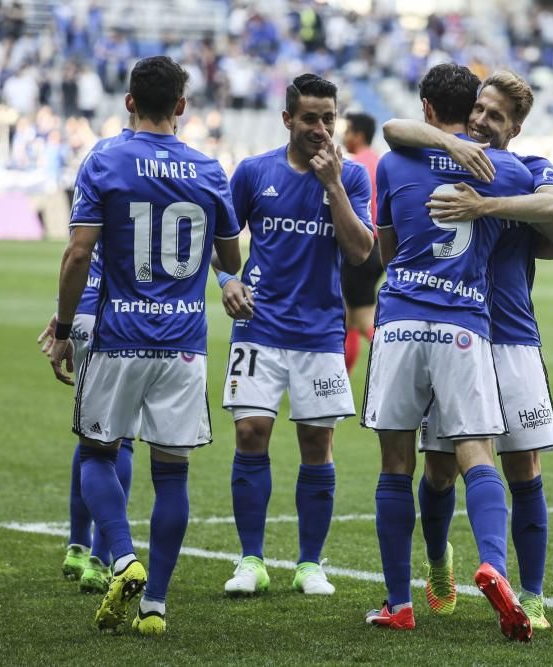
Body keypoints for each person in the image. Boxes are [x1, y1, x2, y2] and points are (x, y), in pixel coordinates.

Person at [48, 56, 244, 635]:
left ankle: (123, 556)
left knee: (98, 452)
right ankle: (155, 603)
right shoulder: (210, 170)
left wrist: (63, 329)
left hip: (118, 337)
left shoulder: (105, 159)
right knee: (173, 474)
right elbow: (230, 260)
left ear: (128, 100)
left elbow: (79, 253)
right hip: (183, 342)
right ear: (182, 107)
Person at [382, 69, 553, 632]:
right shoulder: (435, 153)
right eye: (478, 110)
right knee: (441, 469)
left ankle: (531, 595)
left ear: (515, 127)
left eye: (495, 115)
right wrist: (451, 144)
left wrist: (489, 206)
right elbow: (400, 127)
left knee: (525, 466)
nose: (481, 120)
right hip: (458, 333)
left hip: (512, 337)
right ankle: (440, 562)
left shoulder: (528, 169)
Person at [360, 63, 535, 641]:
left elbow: (383, 251)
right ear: (473, 107)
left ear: (427, 108)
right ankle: (493, 565)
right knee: (476, 454)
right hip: (465, 325)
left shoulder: (393, 162)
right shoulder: (505, 167)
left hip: (403, 320)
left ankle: (398, 603)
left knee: (396, 465)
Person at [216, 74, 373, 597]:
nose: (321, 128)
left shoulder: (350, 179)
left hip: (321, 333)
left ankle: (310, 564)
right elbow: (221, 241)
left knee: (317, 442)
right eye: (310, 118)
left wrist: (331, 185)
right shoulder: (254, 172)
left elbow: (359, 251)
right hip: (258, 328)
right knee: (249, 434)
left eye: (329, 118)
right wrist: (228, 279)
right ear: (288, 119)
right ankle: (251, 560)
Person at [39, 115, 137, 595]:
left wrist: (63, 317)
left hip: (86, 312)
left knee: (90, 436)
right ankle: (103, 556)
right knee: (121, 442)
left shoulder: (100, 158)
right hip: (130, 318)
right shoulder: (166, 169)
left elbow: (78, 250)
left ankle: (78, 545)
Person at [340, 111, 383, 375]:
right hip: (378, 248)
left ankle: (394, 361)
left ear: (357, 135)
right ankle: (342, 376)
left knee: (358, 317)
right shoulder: (379, 162)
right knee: (352, 317)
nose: (343, 136)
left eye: (347, 131)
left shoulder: (356, 167)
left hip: (359, 247)